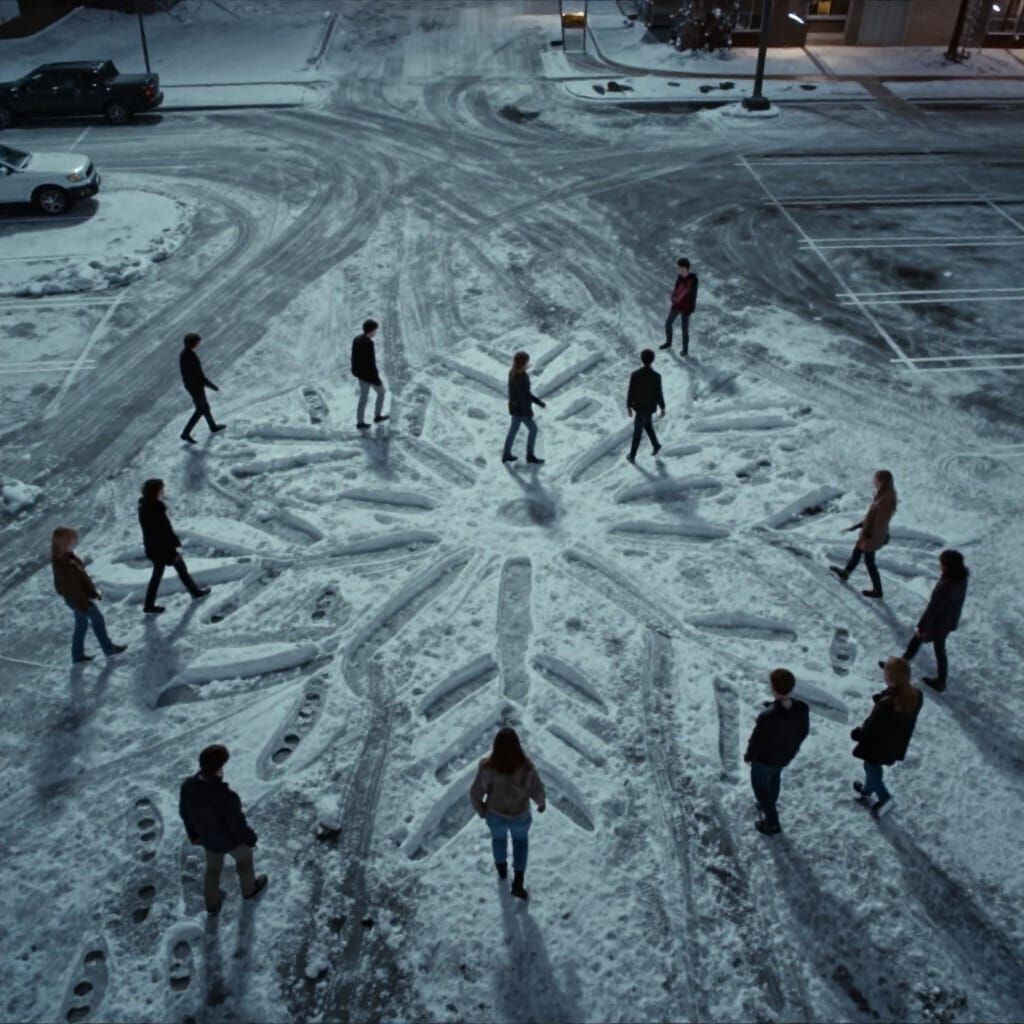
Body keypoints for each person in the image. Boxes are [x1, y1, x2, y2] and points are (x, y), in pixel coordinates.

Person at [179, 744, 268, 914]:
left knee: (213, 869)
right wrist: (251, 839)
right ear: (218, 768)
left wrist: (193, 835)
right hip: (230, 841)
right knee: (244, 858)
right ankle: (249, 890)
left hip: (208, 839)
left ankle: (212, 905)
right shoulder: (227, 796)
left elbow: (184, 813)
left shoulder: (188, 786)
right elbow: (238, 825)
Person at [469, 727, 546, 899]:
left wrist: (482, 810)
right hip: (520, 815)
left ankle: (501, 869)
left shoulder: (487, 767)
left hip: (495, 814)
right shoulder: (527, 768)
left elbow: (475, 793)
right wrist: (541, 803)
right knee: (521, 843)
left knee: (498, 840)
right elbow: (537, 789)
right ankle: (518, 880)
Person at [880, 549, 968, 692]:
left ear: (948, 566)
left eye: (942, 563)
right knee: (933, 647)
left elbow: (933, 609)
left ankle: (899, 667)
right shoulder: (961, 578)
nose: (940, 566)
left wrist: (923, 627)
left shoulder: (946, 585)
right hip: (949, 620)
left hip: (937, 623)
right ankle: (903, 665)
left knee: (926, 644)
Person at [851, 658, 922, 818]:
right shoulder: (915, 696)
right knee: (871, 766)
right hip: (894, 743)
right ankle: (867, 790)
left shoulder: (886, 704)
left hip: (878, 744)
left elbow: (871, 727)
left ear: (892, 680)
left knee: (871, 766)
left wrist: (857, 734)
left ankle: (885, 798)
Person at [743, 668, 810, 836]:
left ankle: (772, 822)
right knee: (774, 778)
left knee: (760, 787)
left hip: (764, 760)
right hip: (784, 757)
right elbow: (803, 731)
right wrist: (792, 749)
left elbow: (756, 741)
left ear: (773, 688)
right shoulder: (802, 709)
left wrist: (749, 756)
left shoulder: (767, 717)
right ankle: (769, 803)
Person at [51, 527, 127, 664]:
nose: (74, 543)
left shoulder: (69, 557)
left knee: (82, 624)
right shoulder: (61, 563)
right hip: (78, 600)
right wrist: (82, 602)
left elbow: (82, 577)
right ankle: (108, 649)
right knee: (98, 619)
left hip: (79, 598)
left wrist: (92, 592)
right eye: (72, 541)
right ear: (63, 542)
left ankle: (77, 655)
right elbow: (64, 588)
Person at [138, 478, 211, 614]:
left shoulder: (146, 507)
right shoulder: (154, 509)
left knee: (160, 575)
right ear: (155, 492)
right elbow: (162, 532)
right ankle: (195, 592)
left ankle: (149, 605)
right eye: (160, 489)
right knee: (176, 570)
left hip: (154, 548)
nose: (162, 492)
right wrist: (171, 551)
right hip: (162, 549)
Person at [830, 469, 898, 599]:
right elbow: (874, 517)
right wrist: (862, 525)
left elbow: (879, 521)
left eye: (876, 480)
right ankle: (846, 572)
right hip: (870, 533)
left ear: (882, 481)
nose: (874, 482)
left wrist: (867, 532)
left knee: (869, 562)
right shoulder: (883, 495)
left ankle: (878, 590)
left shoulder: (885, 500)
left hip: (872, 535)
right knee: (857, 552)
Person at [179, 332, 226, 443]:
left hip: (192, 386)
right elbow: (199, 376)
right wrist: (213, 386)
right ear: (193, 343)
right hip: (196, 387)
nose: (199, 344)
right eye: (198, 342)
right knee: (200, 409)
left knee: (204, 407)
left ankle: (213, 427)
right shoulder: (190, 356)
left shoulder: (184, 354)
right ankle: (185, 433)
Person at [502, 351, 547, 465]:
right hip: (521, 409)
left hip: (515, 407)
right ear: (522, 363)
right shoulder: (520, 377)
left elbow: (517, 393)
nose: (528, 363)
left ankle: (506, 454)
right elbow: (525, 395)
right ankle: (530, 456)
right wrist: (538, 403)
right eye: (527, 361)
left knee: (513, 431)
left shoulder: (513, 372)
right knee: (533, 429)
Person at [626, 348, 665, 463]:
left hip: (639, 408)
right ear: (653, 360)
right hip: (650, 407)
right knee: (647, 425)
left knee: (637, 432)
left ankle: (632, 455)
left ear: (641, 359)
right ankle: (656, 446)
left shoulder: (635, 375)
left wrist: (629, 406)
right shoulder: (656, 376)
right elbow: (659, 393)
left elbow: (631, 391)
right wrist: (662, 407)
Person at [351, 318, 388, 429]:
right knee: (381, 392)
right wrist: (375, 378)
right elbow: (370, 362)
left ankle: (360, 422)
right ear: (371, 330)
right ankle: (377, 416)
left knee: (363, 397)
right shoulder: (368, 343)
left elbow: (354, 357)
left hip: (360, 374)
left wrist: (355, 370)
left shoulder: (356, 339)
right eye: (375, 330)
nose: (375, 332)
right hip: (369, 375)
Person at [659, 257, 698, 356]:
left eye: (679, 268)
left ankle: (685, 350)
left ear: (684, 268)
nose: (678, 269)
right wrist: (673, 297)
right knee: (668, 324)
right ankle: (668, 342)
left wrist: (691, 308)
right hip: (676, 305)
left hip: (686, 308)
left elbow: (693, 295)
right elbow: (676, 290)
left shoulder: (693, 279)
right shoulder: (679, 277)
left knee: (684, 330)